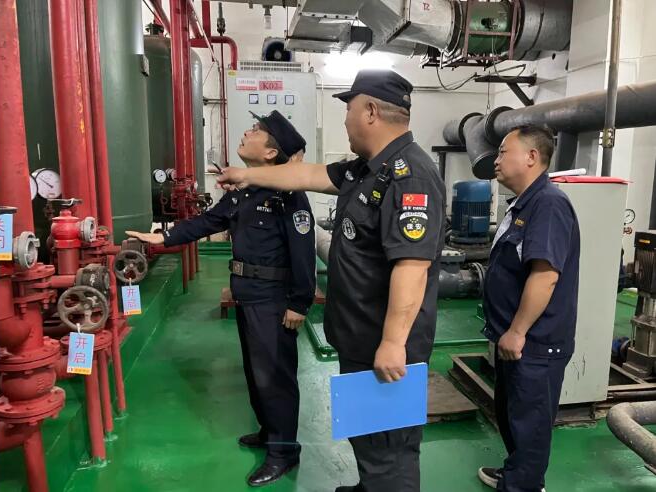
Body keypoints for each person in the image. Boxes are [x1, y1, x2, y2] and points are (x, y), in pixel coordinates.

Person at [216, 69, 446, 492]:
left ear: (371, 111)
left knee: (389, 447)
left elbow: (412, 267)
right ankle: (369, 485)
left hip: (382, 342)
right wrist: (246, 175)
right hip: (359, 335)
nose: (345, 119)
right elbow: (307, 175)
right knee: (368, 434)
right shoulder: (367, 170)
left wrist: (393, 342)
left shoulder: (409, 175)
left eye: (349, 109)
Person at [126, 110, 316, 487]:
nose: (247, 132)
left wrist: (300, 303)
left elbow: (303, 251)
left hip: (274, 299)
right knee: (256, 373)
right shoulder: (244, 193)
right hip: (248, 295)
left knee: (275, 378)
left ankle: (284, 452)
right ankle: (269, 431)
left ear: (271, 153)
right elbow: (207, 222)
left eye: (257, 130)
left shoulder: (288, 196)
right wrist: (163, 238)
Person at [477, 126, 580, 492]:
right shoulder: (524, 203)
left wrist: (518, 330)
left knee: (529, 424)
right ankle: (518, 473)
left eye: (504, 152)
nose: (496, 160)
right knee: (513, 417)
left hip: (534, 343)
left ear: (532, 157)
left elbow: (545, 275)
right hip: (516, 341)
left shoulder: (548, 204)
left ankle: (524, 485)